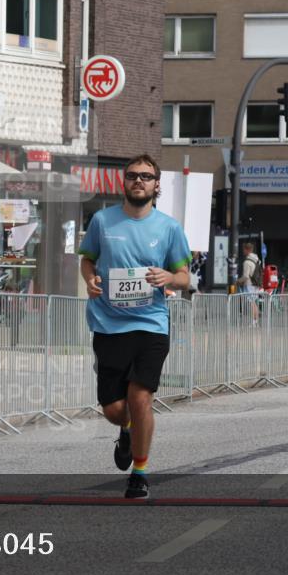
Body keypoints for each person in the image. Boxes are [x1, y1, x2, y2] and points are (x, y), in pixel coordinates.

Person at [78, 154, 191, 499]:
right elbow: (88, 260)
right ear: (123, 182)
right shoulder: (102, 221)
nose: (138, 180)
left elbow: (185, 277)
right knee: (114, 409)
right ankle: (126, 429)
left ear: (157, 185)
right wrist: (90, 280)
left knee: (140, 396)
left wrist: (169, 276)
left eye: (146, 176)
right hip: (108, 323)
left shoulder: (169, 227)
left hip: (150, 324)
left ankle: (139, 472)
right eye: (132, 175)